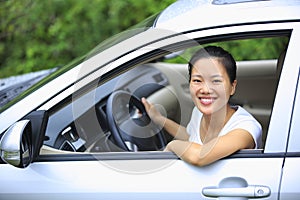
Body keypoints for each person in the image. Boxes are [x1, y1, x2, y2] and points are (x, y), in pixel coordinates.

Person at [142, 46, 262, 167]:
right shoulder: (198, 113)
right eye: (197, 80)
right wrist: (159, 119)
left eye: (216, 81)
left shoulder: (246, 128)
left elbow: (199, 155)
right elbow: (190, 137)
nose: (205, 90)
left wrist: (171, 146)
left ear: (232, 87)